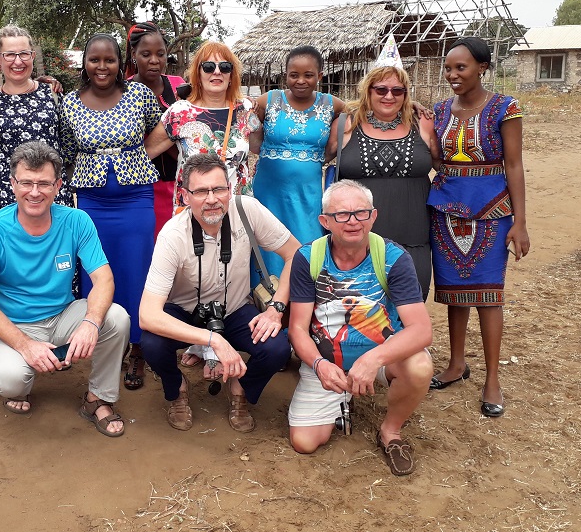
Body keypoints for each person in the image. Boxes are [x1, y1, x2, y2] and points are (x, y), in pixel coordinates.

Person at [0, 141, 130, 437]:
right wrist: (25, 345)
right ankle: (22, 382)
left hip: (62, 315)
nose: (35, 192)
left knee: (116, 318)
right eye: (26, 183)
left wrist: (91, 323)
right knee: (9, 380)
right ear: (13, 184)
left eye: (43, 183)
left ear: (58, 186)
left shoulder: (76, 220)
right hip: (13, 324)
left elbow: (104, 279)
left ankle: (98, 399)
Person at [139, 154, 300, 432]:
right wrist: (214, 341)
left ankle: (241, 388)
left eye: (219, 189)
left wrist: (276, 309)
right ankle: (176, 388)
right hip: (187, 311)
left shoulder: (247, 210)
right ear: (185, 196)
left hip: (235, 308)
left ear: (230, 188)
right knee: (152, 343)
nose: (212, 199)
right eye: (201, 191)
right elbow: (147, 315)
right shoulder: (172, 235)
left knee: (277, 348)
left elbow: (295, 254)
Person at [287, 180, 432, 475]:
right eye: (342, 214)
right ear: (325, 221)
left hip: (380, 357)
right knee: (304, 442)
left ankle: (391, 431)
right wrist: (319, 365)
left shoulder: (393, 258)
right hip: (328, 362)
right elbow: (297, 329)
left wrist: (372, 360)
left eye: (361, 213)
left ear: (373, 216)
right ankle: (342, 395)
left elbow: (421, 330)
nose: (353, 221)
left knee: (419, 365)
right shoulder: (307, 258)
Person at [427, 37, 530, 418]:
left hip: (491, 210)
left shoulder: (505, 108)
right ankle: (456, 364)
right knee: (454, 291)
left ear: (482, 68)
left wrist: (520, 222)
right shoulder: (439, 111)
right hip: (445, 210)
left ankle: (492, 380)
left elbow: (514, 165)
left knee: (489, 295)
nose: (452, 74)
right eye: (448, 68)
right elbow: (436, 158)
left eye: (461, 67)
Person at [60, 33, 163, 391]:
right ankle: (106, 342)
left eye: (109, 60)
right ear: (84, 63)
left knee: (136, 271)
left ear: (121, 63)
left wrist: (140, 157)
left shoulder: (139, 94)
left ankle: (138, 348)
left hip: (136, 198)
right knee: (96, 271)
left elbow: (164, 128)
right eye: (94, 59)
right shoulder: (69, 103)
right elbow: (68, 151)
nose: (102, 66)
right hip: (92, 203)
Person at [335, 65, 441, 299]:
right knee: (359, 308)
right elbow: (312, 158)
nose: (389, 96)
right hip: (356, 239)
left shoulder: (422, 124)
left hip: (414, 238)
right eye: (381, 90)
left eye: (398, 91)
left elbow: (446, 167)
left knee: (410, 303)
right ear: (368, 91)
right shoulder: (346, 125)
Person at [249, 45, 348, 278]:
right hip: (268, 192)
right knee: (267, 243)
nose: (301, 81)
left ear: (320, 76)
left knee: (307, 242)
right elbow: (247, 123)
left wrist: (412, 106)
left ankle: (303, 294)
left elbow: (363, 110)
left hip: (308, 193)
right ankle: (265, 294)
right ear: (285, 75)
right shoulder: (269, 100)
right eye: (294, 75)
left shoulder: (331, 104)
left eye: (308, 75)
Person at [145, 41, 256, 214]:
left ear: (231, 74)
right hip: (194, 211)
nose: (217, 72)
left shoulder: (246, 109)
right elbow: (145, 153)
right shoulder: (180, 112)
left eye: (225, 67)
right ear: (198, 73)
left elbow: (261, 147)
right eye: (209, 67)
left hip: (237, 210)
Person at [0, 25, 73, 211]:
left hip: (51, 191)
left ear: (32, 56)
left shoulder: (52, 93)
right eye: (10, 55)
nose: (18, 61)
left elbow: (68, 142)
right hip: (8, 193)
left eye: (24, 54)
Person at [125, 22, 186, 236]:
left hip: (178, 184)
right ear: (134, 54)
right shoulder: (122, 91)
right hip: (141, 188)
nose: (154, 60)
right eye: (146, 54)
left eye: (160, 54)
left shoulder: (179, 86)